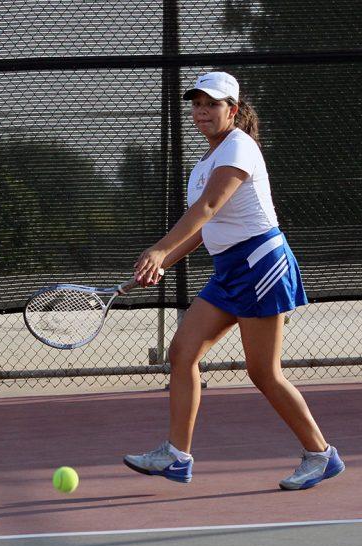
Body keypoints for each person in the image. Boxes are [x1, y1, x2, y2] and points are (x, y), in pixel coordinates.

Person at [123, 71, 344, 490]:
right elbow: (203, 230)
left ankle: (321, 454)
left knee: (263, 372)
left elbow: (208, 207)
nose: (202, 112)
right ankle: (176, 456)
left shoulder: (240, 147)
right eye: (197, 104)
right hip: (229, 271)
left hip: (261, 264)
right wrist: (162, 262)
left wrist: (156, 248)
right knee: (182, 352)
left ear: (233, 110)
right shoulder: (204, 165)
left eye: (212, 104)